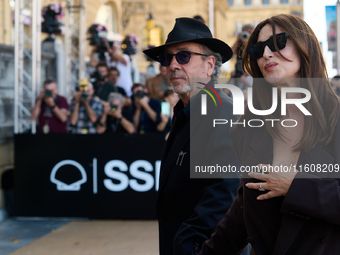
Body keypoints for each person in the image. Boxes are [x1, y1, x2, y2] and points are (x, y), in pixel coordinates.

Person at [199, 14, 340, 255]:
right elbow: (245, 208)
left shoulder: (335, 116)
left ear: (305, 44)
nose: (266, 54)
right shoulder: (248, 128)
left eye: (277, 43)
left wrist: (295, 187)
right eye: (257, 49)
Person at [143, 17, 241, 255]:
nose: (173, 65)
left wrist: (188, 242)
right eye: (167, 58)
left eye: (184, 56)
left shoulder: (222, 109)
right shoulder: (183, 113)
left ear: (209, 65)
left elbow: (224, 191)